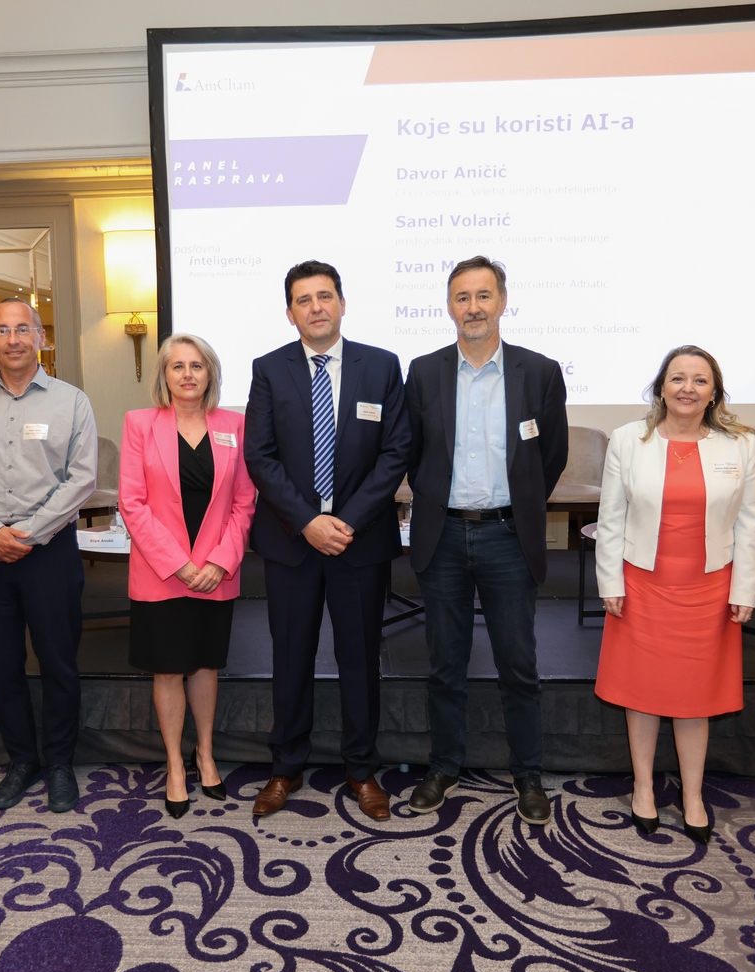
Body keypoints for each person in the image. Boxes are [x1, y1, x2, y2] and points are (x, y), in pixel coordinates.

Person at [244, 260, 411, 821]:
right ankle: (286, 766)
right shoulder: (269, 369)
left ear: (342, 303)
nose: (315, 307)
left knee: (360, 659)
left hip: (358, 542)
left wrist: (346, 521)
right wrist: (309, 521)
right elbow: (260, 457)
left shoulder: (381, 366)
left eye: (324, 296)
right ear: (289, 313)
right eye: (303, 299)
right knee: (290, 657)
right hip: (291, 543)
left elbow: (396, 451)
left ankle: (362, 769)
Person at [403, 257, 569, 824]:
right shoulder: (423, 372)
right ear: (449, 306)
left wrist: (517, 505)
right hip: (443, 536)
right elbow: (414, 453)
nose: (473, 307)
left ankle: (528, 774)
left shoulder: (539, 372)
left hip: (507, 537)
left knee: (518, 664)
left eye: (483, 295)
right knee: (444, 664)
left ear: (502, 301)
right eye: (462, 297)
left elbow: (552, 455)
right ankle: (444, 766)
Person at [593, 346, 755, 843]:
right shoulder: (628, 439)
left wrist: (745, 587)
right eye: (678, 378)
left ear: (714, 392)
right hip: (642, 584)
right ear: (661, 387)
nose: (688, 388)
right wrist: (610, 582)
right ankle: (643, 788)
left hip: (710, 586)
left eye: (700, 380)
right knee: (641, 692)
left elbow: (751, 521)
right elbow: (611, 518)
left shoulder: (740, 444)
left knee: (696, 696)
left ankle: (693, 795)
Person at [0, 298, 98, 813]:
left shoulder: (71, 401)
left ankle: (60, 763)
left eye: (23, 329)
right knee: (1, 664)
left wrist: (27, 533)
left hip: (49, 551)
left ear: (40, 338)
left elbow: (81, 479)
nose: (13, 339)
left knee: (59, 662)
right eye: (2, 330)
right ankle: (21, 760)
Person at [119, 335, 256, 817]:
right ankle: (175, 765)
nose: (188, 374)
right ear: (165, 375)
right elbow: (132, 503)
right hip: (162, 572)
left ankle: (206, 754)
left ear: (210, 373)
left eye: (197, 366)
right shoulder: (140, 423)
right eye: (177, 366)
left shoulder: (234, 425)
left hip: (216, 570)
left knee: (204, 664)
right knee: (168, 667)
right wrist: (178, 564)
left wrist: (220, 561)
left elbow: (244, 502)